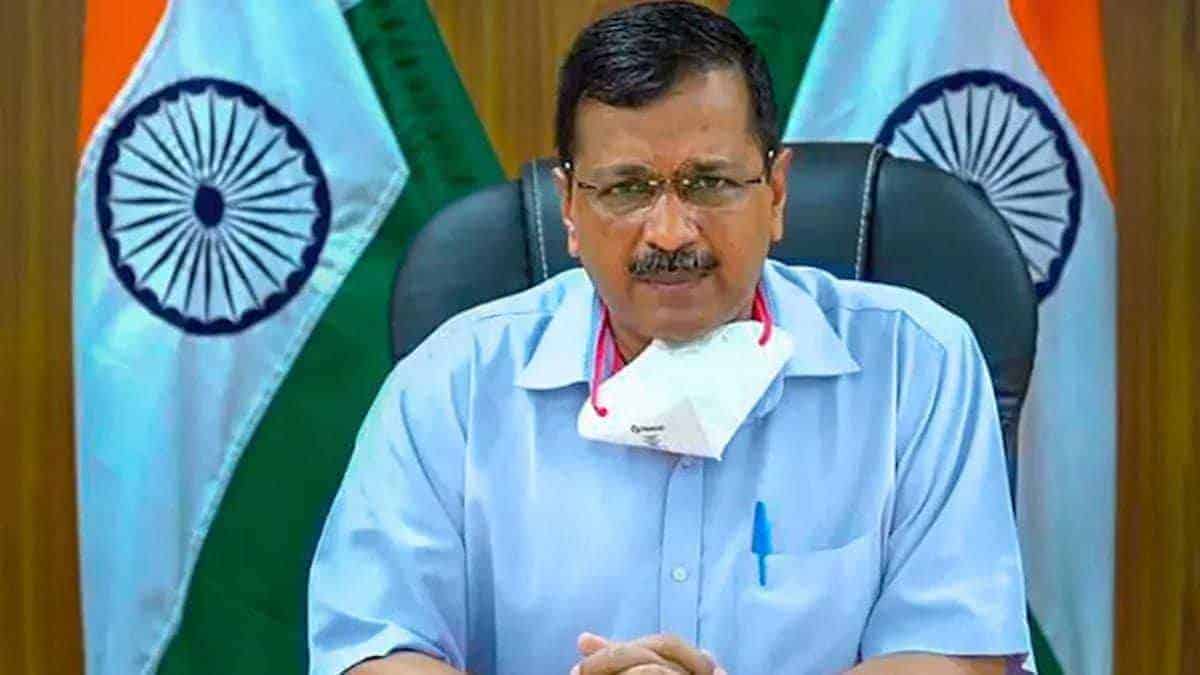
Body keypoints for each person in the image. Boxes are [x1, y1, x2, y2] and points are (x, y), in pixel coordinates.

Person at [307, 3, 1033, 674]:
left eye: (709, 182)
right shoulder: (452, 383)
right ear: (569, 207)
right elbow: (375, 651)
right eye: (626, 188)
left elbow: (958, 654)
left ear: (777, 194)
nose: (670, 232)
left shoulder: (916, 363)